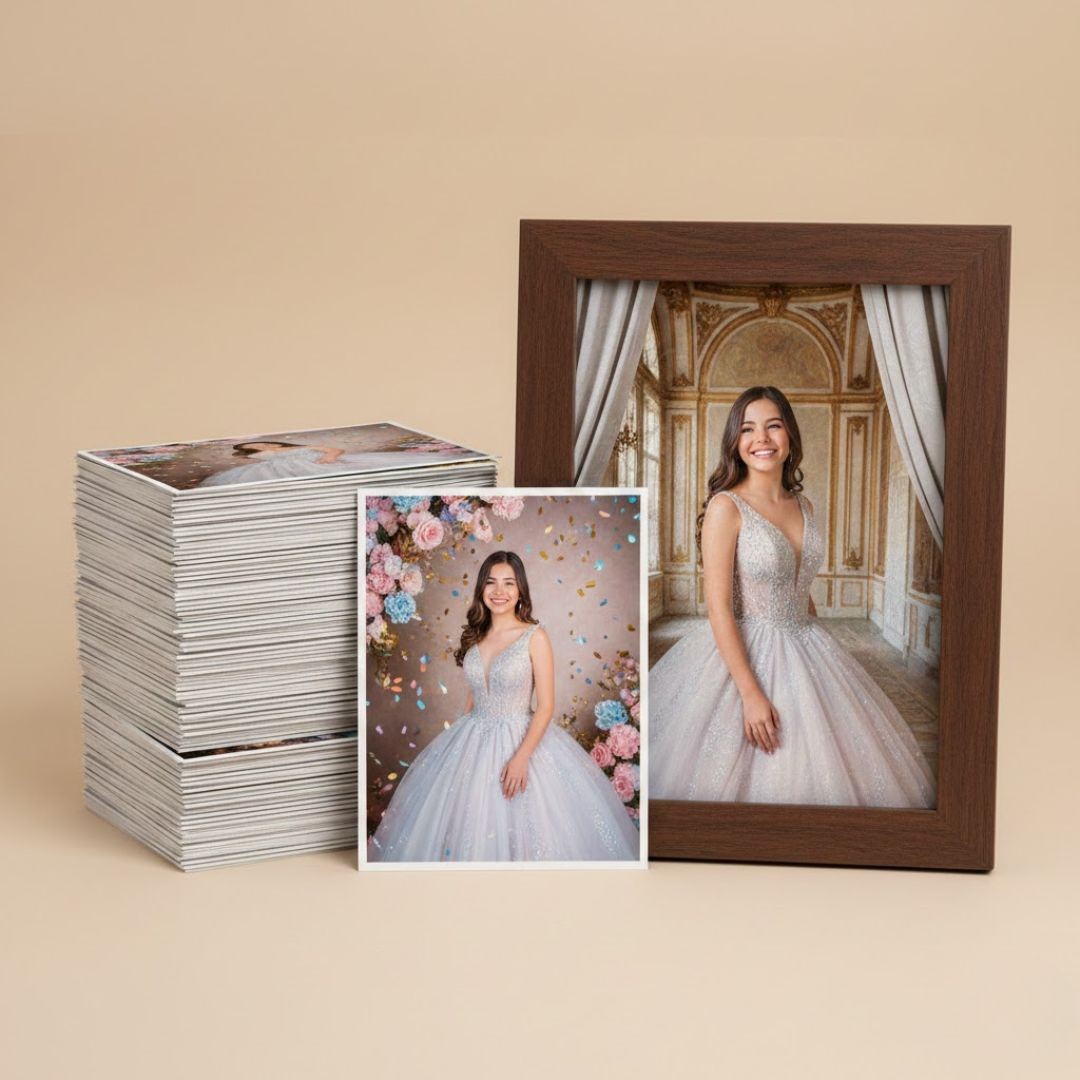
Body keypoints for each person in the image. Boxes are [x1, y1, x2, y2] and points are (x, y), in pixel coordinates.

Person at [649, 385, 935, 808]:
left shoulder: (806, 506)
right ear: (735, 442)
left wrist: (811, 632)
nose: (761, 439)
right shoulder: (725, 507)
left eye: (773, 426)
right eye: (747, 429)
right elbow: (719, 607)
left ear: (789, 437)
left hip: (807, 644)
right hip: (744, 652)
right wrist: (750, 693)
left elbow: (800, 586)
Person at [369, 550, 640, 862]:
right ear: (481, 589)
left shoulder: (534, 637)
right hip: (472, 737)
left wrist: (521, 758)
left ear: (520, 590)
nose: (499, 592)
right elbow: (475, 694)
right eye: (491, 583)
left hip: (519, 737)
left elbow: (546, 706)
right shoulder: (475, 635)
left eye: (509, 583)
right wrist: (461, 744)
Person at [198, 439, 465, 487]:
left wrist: (327, 458)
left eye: (260, 444)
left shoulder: (302, 448)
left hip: (317, 464)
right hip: (284, 472)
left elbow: (333, 449)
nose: (259, 448)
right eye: (252, 448)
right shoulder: (257, 460)